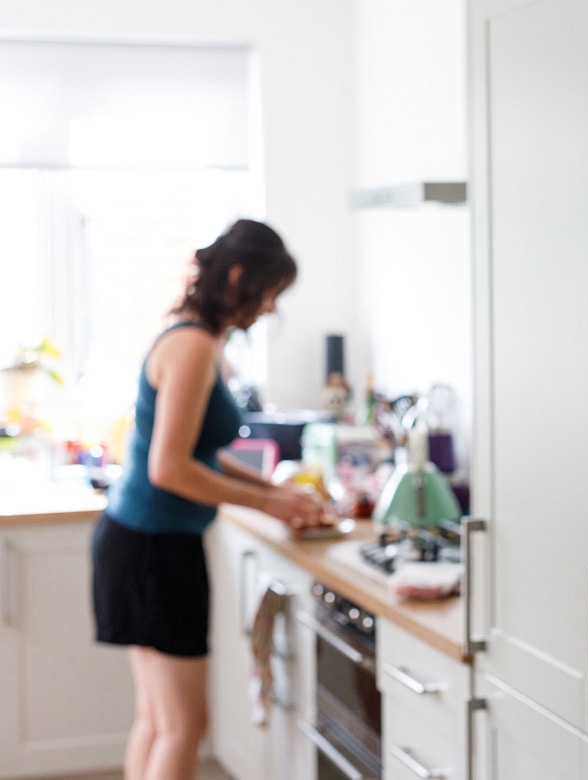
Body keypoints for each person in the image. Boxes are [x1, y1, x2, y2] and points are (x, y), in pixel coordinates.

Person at [91, 218, 323, 780]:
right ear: (240, 276)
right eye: (269, 294)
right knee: (184, 726)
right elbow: (170, 469)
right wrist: (270, 506)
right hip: (155, 551)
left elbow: (196, 450)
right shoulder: (194, 346)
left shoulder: (192, 336)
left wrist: (272, 490)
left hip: (138, 543)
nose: (268, 309)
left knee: (158, 719)